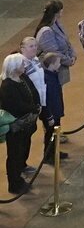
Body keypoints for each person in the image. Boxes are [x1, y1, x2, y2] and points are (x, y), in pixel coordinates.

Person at [1, 53, 40, 194]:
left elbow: (33, 91)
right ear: (14, 67)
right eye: (22, 64)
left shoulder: (22, 77)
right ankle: (14, 183)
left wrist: (36, 104)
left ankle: (20, 175)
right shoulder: (7, 86)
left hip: (26, 123)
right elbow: (15, 105)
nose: (25, 66)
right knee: (14, 155)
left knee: (23, 149)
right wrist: (32, 108)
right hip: (16, 126)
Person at [34, 0, 77, 88]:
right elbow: (53, 53)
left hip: (59, 68)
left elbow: (66, 41)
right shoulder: (46, 32)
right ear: (57, 13)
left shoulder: (56, 24)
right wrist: (68, 60)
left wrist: (73, 55)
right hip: (50, 72)